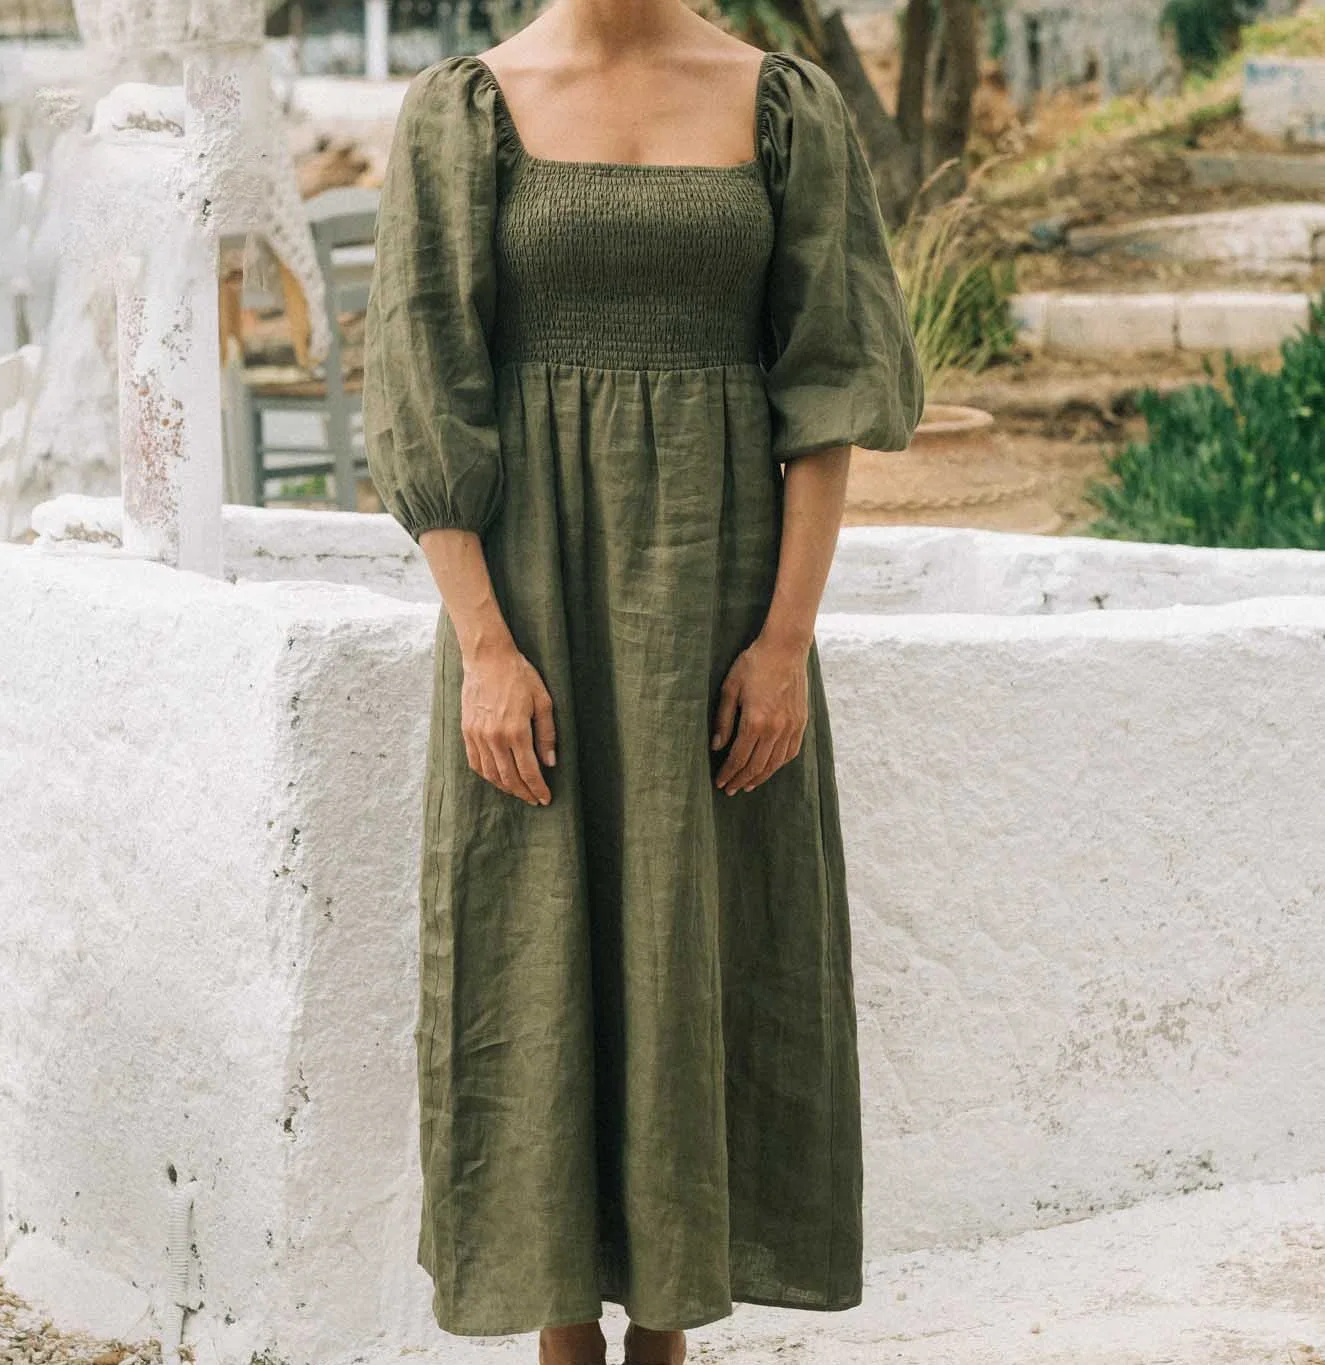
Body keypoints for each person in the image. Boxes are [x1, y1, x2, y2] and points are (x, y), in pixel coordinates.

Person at [361, 0, 924, 1357]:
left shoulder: (780, 102)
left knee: (705, 940)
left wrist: (784, 645)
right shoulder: (466, 111)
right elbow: (426, 386)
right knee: (535, 946)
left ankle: (671, 1326)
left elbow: (828, 388)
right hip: (532, 618)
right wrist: (486, 650)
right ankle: (562, 1333)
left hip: (724, 612)